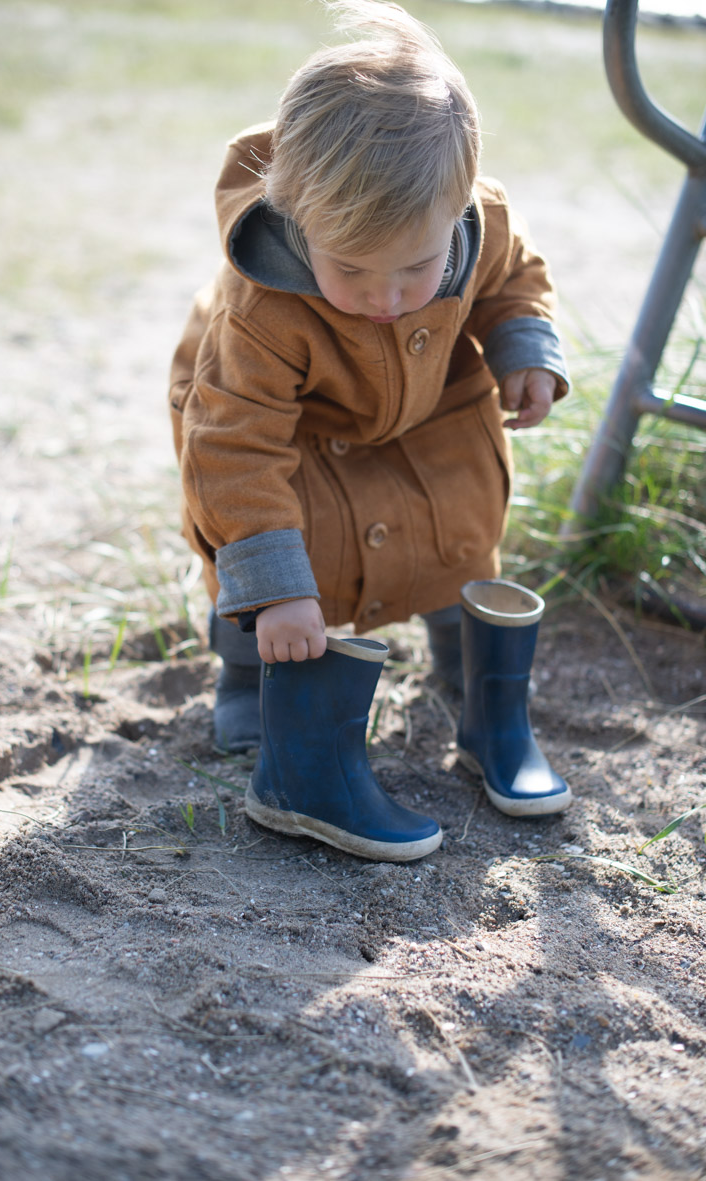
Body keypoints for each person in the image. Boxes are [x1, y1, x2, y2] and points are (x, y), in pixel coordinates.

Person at [168, 0, 573, 860]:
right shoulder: (263, 303)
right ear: (296, 216)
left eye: (416, 269)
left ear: (460, 208)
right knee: (276, 554)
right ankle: (251, 675)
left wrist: (522, 348)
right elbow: (234, 443)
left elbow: (513, 280)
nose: (385, 298)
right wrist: (275, 587)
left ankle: (474, 686)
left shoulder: (481, 222)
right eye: (349, 269)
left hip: (430, 409)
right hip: (285, 432)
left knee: (457, 517)